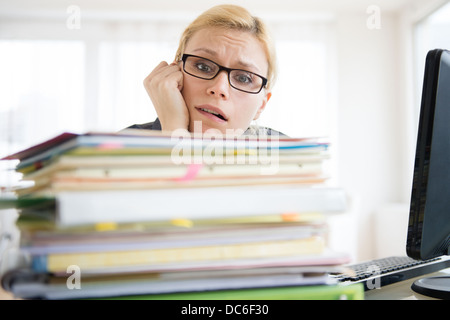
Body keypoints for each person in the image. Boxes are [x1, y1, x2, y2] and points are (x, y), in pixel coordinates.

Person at [127, 4, 285, 137]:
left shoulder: (287, 156)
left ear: (262, 105)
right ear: (174, 72)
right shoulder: (123, 146)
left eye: (244, 78)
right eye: (203, 67)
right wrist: (173, 129)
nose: (219, 89)